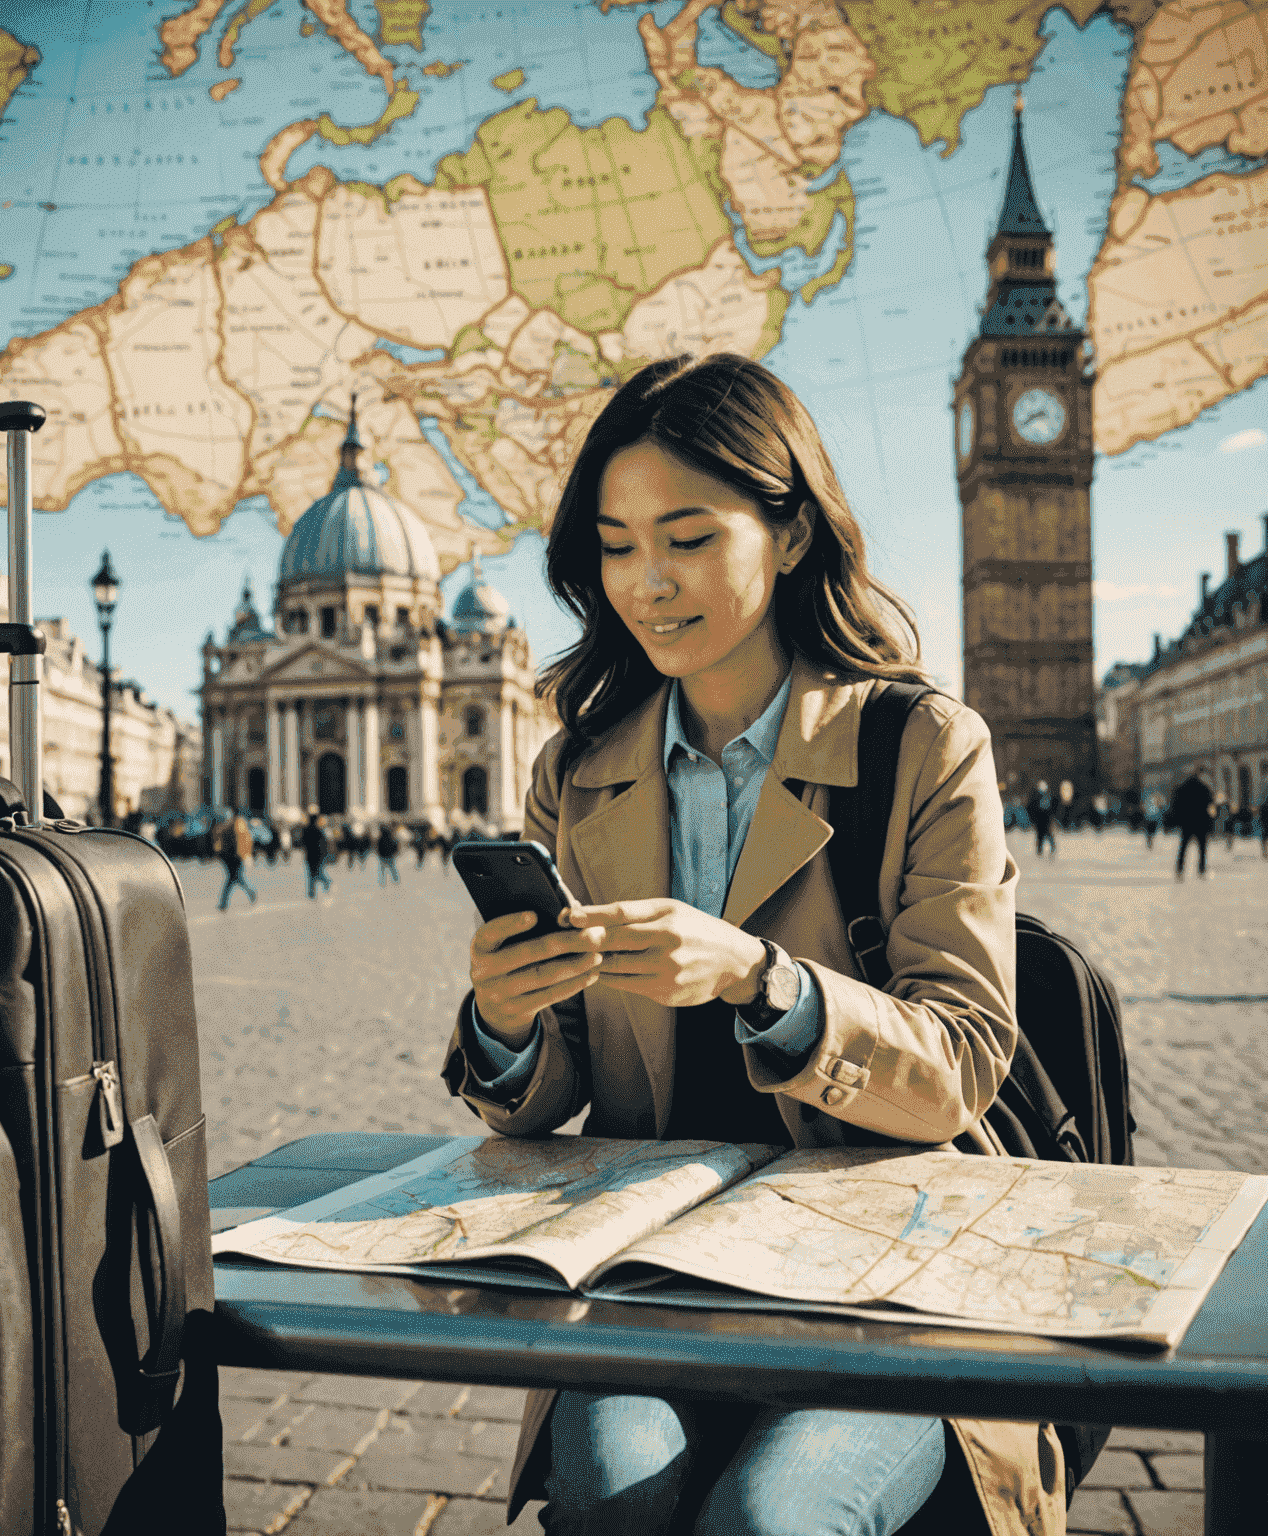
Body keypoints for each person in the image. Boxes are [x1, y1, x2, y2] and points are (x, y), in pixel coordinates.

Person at [440, 355, 1063, 1536]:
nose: (646, 583)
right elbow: (545, 1097)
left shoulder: (925, 745)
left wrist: (763, 981)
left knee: (774, 1517)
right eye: (616, 546)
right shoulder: (572, 770)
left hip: (889, 1269)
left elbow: (966, 1061)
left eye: (686, 538)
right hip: (650, 1270)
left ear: (787, 536)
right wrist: (509, 1024)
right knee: (621, 1495)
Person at [1167, 765, 1215, 880]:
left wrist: (1177, 819)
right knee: (1202, 848)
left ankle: (1179, 870)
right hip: (1201, 822)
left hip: (1187, 822)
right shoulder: (1204, 787)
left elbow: (1175, 804)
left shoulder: (1183, 786)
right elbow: (1210, 804)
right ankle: (1202, 870)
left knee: (1183, 846)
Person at [215, 808, 258, 910]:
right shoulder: (225, 826)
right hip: (229, 857)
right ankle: (251, 892)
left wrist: (244, 854)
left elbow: (242, 841)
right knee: (236, 878)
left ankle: (223, 903)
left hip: (236, 856)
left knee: (232, 878)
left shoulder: (236, 825)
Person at [303, 810, 333, 900]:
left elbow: (303, 842)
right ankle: (325, 882)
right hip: (318, 855)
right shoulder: (319, 831)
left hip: (310, 855)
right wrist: (325, 855)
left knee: (312, 873)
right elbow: (323, 845)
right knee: (317, 872)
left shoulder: (306, 830)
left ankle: (312, 891)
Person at [1024, 780, 1056, 858]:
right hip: (1039, 819)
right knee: (1040, 835)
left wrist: (1052, 815)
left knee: (1048, 834)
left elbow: (1054, 806)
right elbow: (1030, 807)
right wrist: (1033, 818)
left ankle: (1052, 850)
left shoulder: (1049, 795)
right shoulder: (1035, 796)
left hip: (1047, 818)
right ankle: (1039, 851)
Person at [375, 821, 400, 886]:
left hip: (383, 856)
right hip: (389, 856)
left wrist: (379, 854)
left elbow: (377, 847)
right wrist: (394, 853)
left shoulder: (380, 838)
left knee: (382, 869)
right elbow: (395, 845)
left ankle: (382, 881)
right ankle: (395, 879)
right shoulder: (390, 837)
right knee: (392, 868)